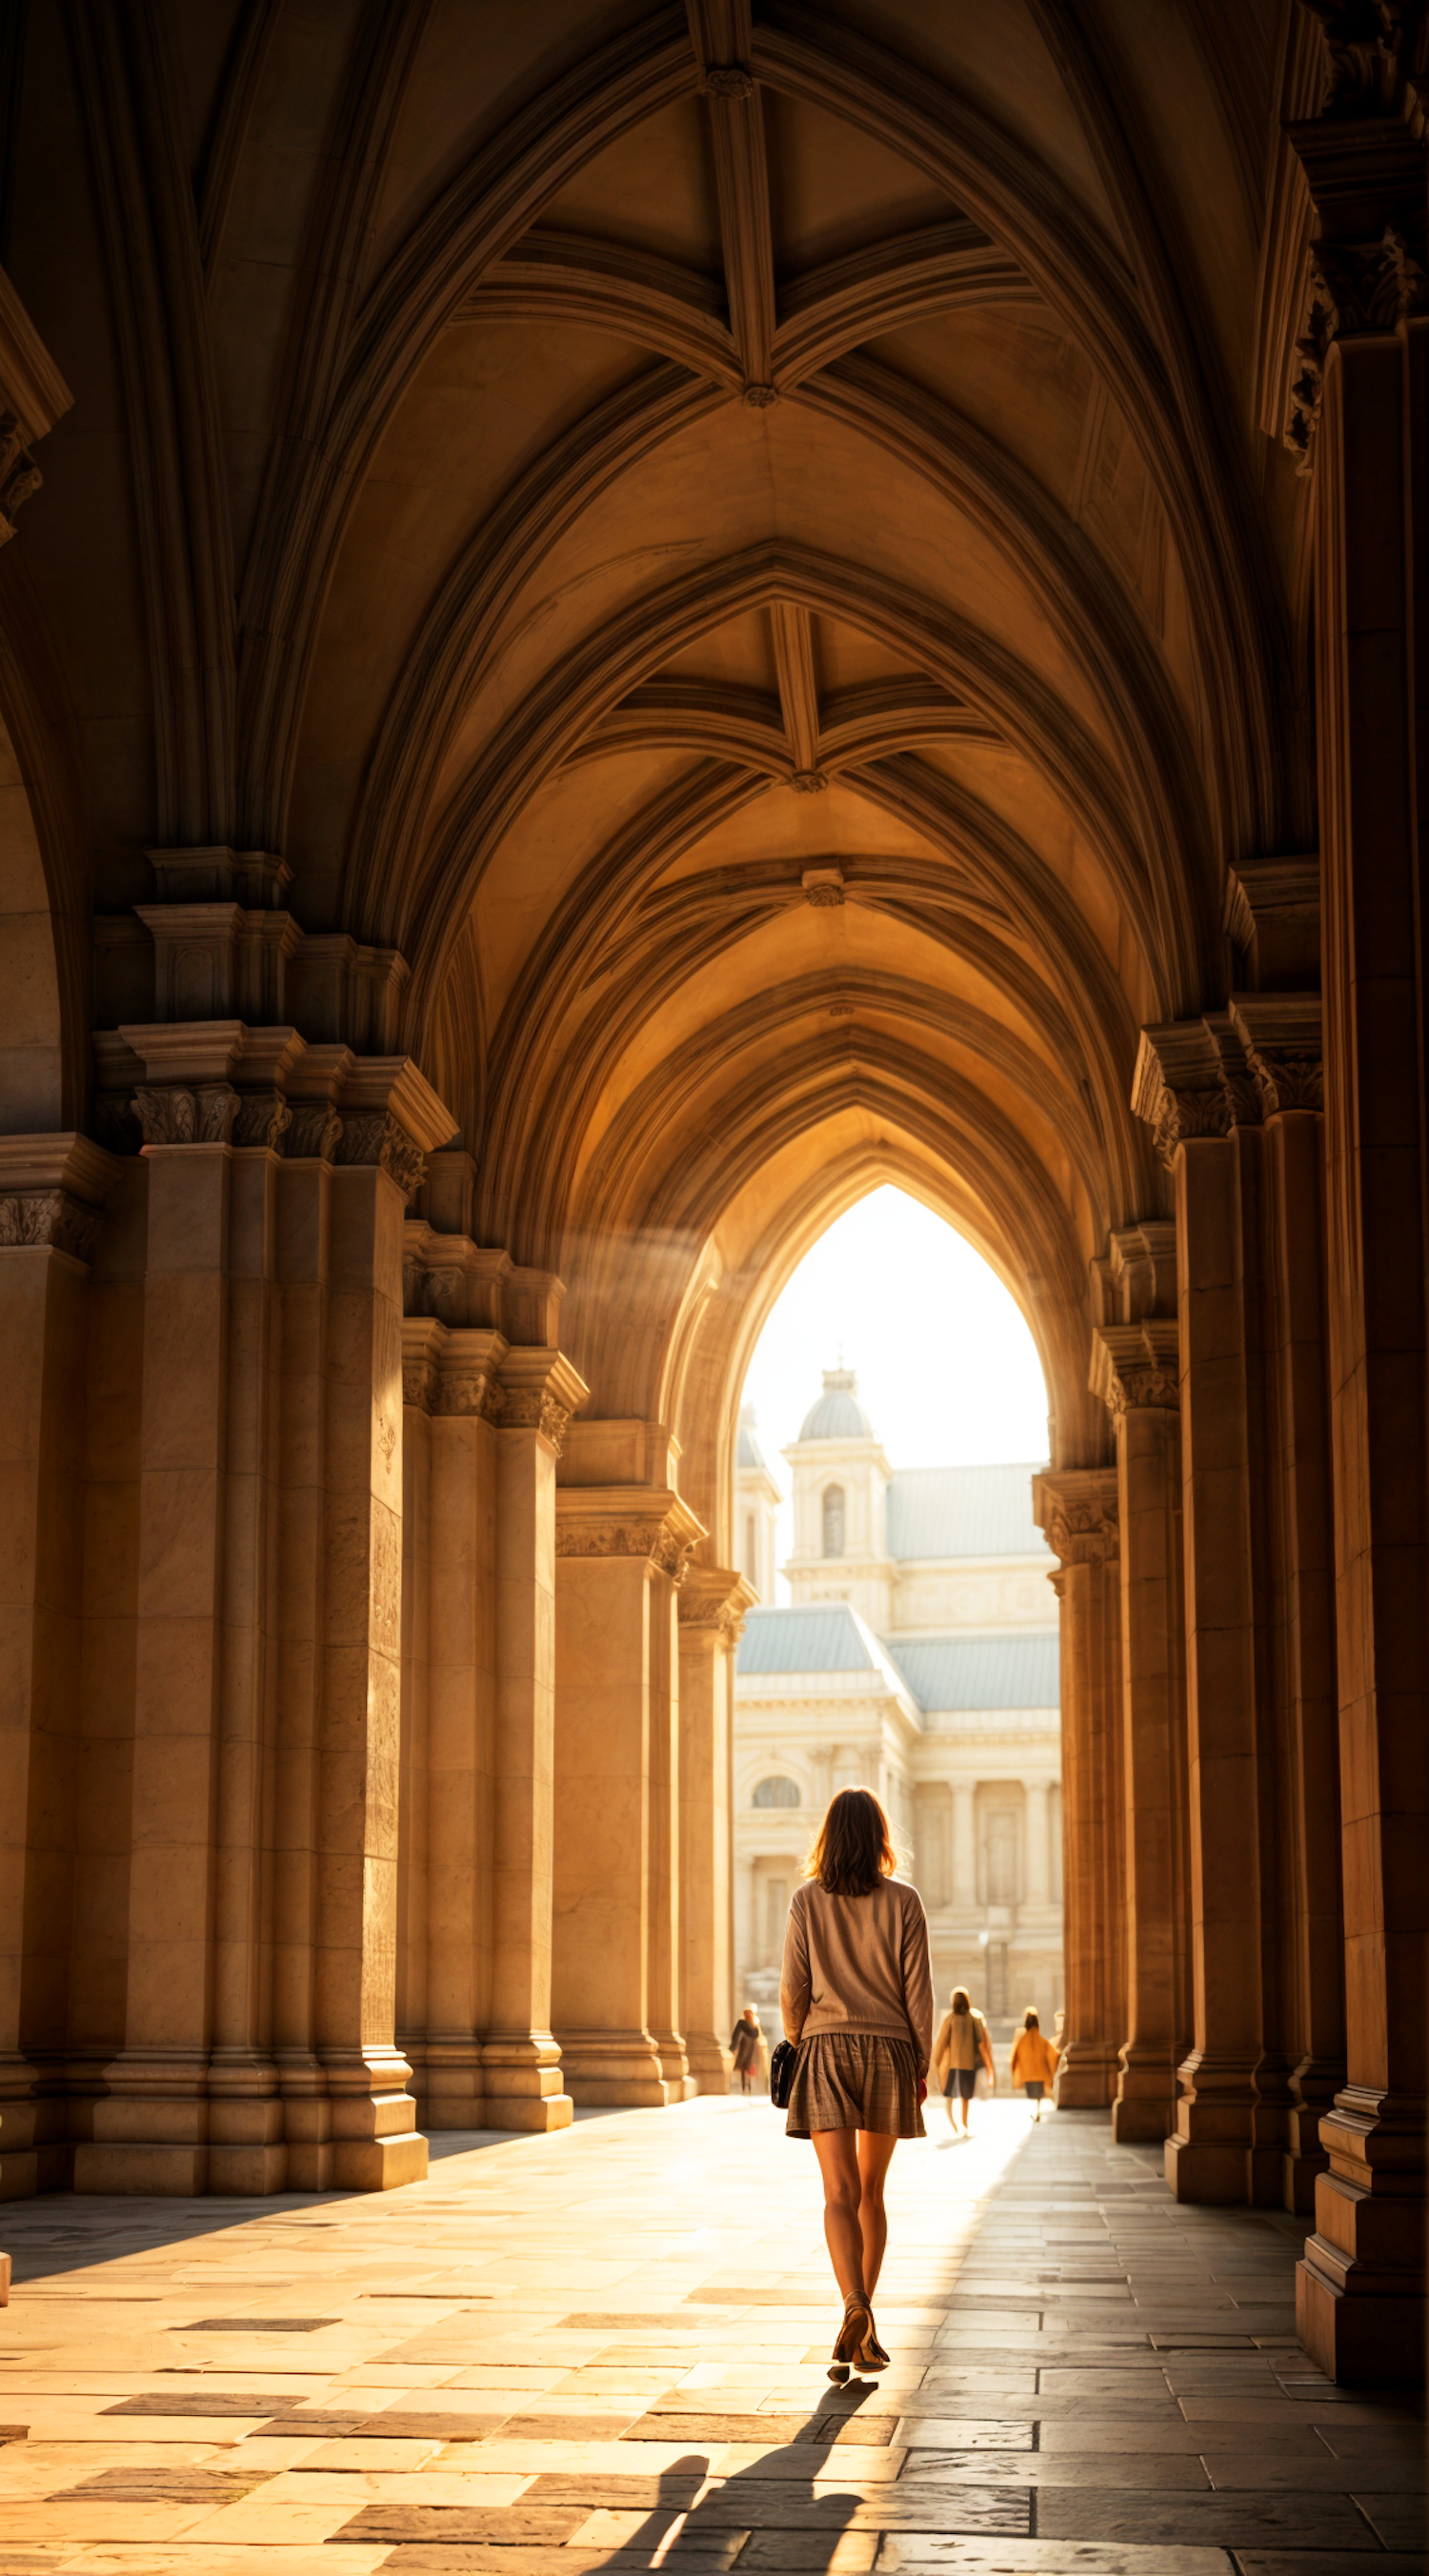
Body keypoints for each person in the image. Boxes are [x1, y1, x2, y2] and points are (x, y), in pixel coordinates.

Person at [779, 1786, 934, 2383]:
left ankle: (853, 2308)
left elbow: (793, 1987)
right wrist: (919, 2062)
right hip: (890, 2048)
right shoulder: (905, 1901)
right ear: (880, 1839)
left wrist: (801, 2039)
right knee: (872, 2192)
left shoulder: (805, 1902)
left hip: (826, 2047)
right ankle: (865, 2324)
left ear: (828, 1838)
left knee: (837, 2193)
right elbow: (917, 1990)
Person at [931, 1985, 995, 2137]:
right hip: (969, 2065)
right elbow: (981, 2043)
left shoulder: (950, 2019)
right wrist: (988, 2064)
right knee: (965, 2097)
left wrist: (935, 2062)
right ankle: (964, 2126)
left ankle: (954, 2125)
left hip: (953, 2065)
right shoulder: (974, 2019)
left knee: (950, 2096)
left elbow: (941, 2042)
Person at [1010, 2005, 1058, 2120]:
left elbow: (1014, 2057)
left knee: (1031, 2094)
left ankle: (1035, 2113)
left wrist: (1014, 2071)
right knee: (1038, 2096)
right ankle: (1037, 2112)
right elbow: (1052, 2055)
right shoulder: (1041, 2041)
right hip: (1040, 2073)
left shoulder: (1022, 2040)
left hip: (1028, 2074)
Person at [729, 2005, 763, 2094]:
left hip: (746, 2048)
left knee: (745, 2068)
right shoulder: (753, 2026)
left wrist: (733, 2047)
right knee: (748, 2067)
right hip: (750, 2048)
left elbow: (736, 2036)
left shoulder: (744, 2024)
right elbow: (757, 2036)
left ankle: (746, 2087)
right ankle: (748, 2087)